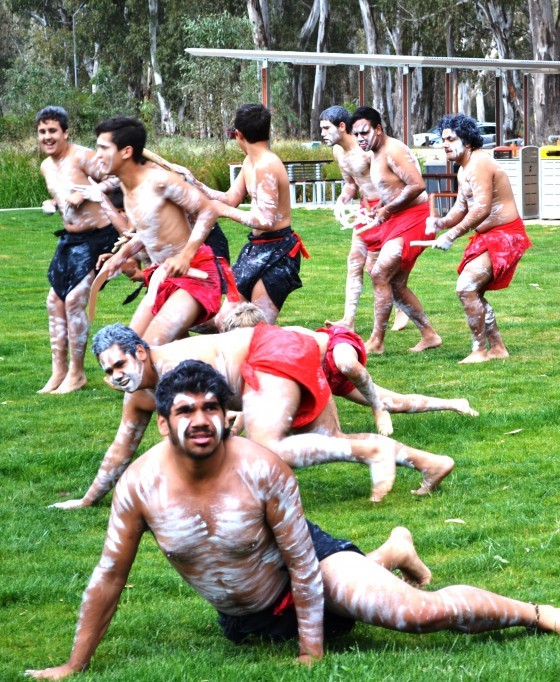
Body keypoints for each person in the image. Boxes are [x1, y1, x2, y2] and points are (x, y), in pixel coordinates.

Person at [26, 361, 560, 679]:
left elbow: (303, 565)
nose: (200, 420)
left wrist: (311, 652)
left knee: (412, 615)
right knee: (311, 613)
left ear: (226, 415)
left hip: (312, 567)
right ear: (163, 422)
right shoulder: (140, 486)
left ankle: (536, 612)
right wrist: (74, 665)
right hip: (251, 616)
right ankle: (390, 551)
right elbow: (109, 576)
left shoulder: (263, 469)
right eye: (185, 411)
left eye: (211, 408)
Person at [49, 322, 455, 511]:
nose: (117, 376)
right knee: (331, 437)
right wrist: (87, 501)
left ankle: (371, 452)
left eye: (120, 364)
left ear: (139, 352)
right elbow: (120, 450)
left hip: (272, 352)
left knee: (267, 448)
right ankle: (431, 462)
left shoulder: (174, 368)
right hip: (283, 351)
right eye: (108, 372)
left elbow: (213, 431)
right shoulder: (138, 395)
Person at [221, 302, 478, 437]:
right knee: (396, 402)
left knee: (346, 364)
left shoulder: (284, 337)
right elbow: (253, 397)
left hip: (335, 348)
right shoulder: (255, 359)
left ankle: (378, 409)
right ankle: (456, 403)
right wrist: (233, 435)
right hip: (325, 378)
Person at [93, 116, 234, 346]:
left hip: (195, 273)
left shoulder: (159, 180)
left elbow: (208, 211)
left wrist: (186, 256)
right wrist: (120, 257)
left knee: (144, 352)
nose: (97, 154)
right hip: (163, 277)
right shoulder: (128, 191)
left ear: (126, 152)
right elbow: (146, 234)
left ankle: (234, 335)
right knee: (133, 349)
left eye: (103, 148)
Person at [180, 103, 309, 326]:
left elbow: (266, 220)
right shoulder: (250, 161)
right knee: (223, 322)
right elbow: (231, 198)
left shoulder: (266, 165)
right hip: (256, 248)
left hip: (278, 252)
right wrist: (195, 183)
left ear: (238, 134)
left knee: (255, 328)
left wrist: (223, 211)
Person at [427, 114, 532, 364]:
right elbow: (461, 208)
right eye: (443, 139)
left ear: (468, 141)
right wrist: (441, 223)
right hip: (490, 236)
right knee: (472, 291)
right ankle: (497, 348)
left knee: (466, 287)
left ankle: (480, 350)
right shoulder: (464, 169)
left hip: (506, 236)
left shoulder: (479, 163)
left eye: (451, 139)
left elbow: (481, 209)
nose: (445, 144)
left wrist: (452, 235)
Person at [35, 106, 122, 394]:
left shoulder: (82, 156)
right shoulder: (46, 166)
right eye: (42, 132)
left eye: (52, 131)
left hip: (99, 238)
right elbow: (60, 199)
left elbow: (115, 177)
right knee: (53, 301)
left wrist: (85, 192)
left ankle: (77, 373)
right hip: (70, 241)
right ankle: (58, 371)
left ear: (65, 132)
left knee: (74, 300)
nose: (47, 137)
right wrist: (54, 204)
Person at [349, 107, 441, 355]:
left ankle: (377, 341)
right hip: (398, 218)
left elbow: (417, 186)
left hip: (415, 219)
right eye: (355, 134)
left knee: (380, 273)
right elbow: (394, 188)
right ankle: (429, 335)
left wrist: (387, 209)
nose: (360, 138)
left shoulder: (393, 150)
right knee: (394, 282)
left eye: (364, 132)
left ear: (378, 129)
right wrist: (379, 206)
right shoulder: (377, 152)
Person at [319, 105, 408, 332]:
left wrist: (382, 209)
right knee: (354, 262)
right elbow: (351, 184)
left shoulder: (368, 150)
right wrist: (341, 202)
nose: (322, 134)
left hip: (383, 212)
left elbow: (389, 183)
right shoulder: (338, 152)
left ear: (341, 126)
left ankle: (402, 309)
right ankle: (348, 319)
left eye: (326, 128)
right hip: (364, 210)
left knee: (375, 268)